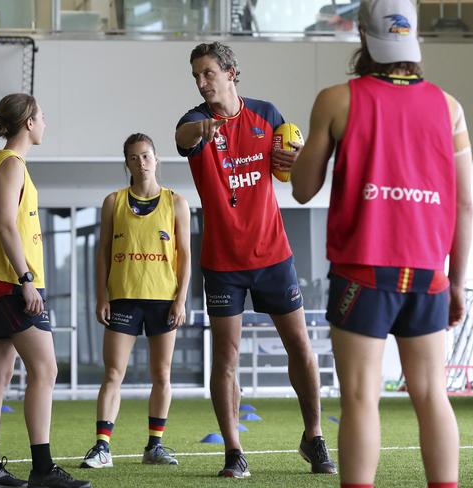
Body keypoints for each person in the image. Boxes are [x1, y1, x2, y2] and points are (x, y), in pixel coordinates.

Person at [291, 1, 472, 486]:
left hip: (362, 270)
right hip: (429, 271)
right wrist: (457, 281)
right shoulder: (449, 106)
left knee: (359, 396)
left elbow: (303, 188)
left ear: (364, 41)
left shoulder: (336, 99)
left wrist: (300, 153)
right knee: (433, 393)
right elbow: (464, 206)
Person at [174, 41, 336, 479]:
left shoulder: (267, 114)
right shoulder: (195, 122)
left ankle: (314, 436)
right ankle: (233, 451)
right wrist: (203, 132)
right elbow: (182, 138)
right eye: (195, 76)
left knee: (300, 346)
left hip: (273, 256)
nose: (201, 82)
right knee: (225, 358)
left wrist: (295, 160)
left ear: (230, 72)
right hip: (223, 264)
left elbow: (293, 165)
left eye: (207, 73)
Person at [0, 93, 91, 488]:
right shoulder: (12, 164)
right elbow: (5, 224)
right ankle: (42, 469)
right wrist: (26, 278)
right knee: (46, 369)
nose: (46, 123)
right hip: (9, 283)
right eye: (42, 117)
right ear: (29, 122)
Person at [80, 133, 191, 469]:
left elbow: (185, 255)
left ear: (156, 159)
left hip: (163, 299)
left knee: (162, 374)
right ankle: (102, 447)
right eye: (133, 157)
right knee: (114, 373)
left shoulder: (177, 203)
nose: (140, 163)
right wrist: (102, 295)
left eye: (145, 156)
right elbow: (103, 252)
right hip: (124, 298)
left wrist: (181, 300)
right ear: (126, 163)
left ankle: (154, 447)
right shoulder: (113, 201)